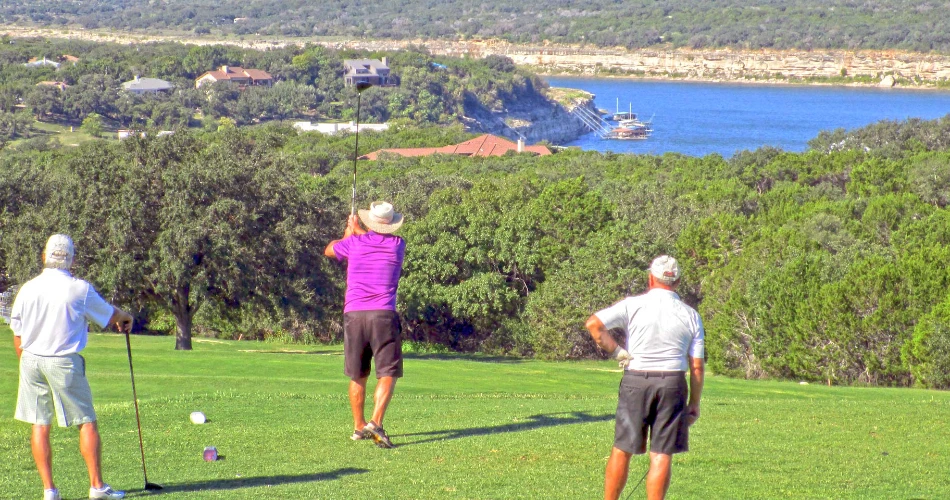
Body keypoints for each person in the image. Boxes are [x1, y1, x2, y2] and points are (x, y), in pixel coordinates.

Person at [10, 234, 132, 500]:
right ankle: (97, 487)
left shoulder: (27, 288)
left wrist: (26, 363)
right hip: (63, 361)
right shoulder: (79, 288)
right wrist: (125, 317)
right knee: (86, 422)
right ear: (72, 260)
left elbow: (17, 333)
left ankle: (49, 491)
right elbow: (110, 315)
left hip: (30, 359)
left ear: (44, 256)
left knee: (40, 425)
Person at [585, 255, 705, 500]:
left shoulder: (633, 305)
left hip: (636, 381)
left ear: (650, 277)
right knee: (661, 454)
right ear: (678, 281)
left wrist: (618, 352)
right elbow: (697, 367)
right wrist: (694, 403)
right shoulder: (691, 315)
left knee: (622, 449)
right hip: (673, 383)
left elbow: (594, 324)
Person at [324, 201, 406, 448]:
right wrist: (357, 231)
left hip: (355, 314)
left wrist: (348, 232)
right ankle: (375, 422)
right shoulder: (397, 245)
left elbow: (329, 250)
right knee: (388, 372)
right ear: (391, 226)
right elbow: (375, 238)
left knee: (358, 374)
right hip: (383, 315)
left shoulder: (354, 244)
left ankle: (359, 427)